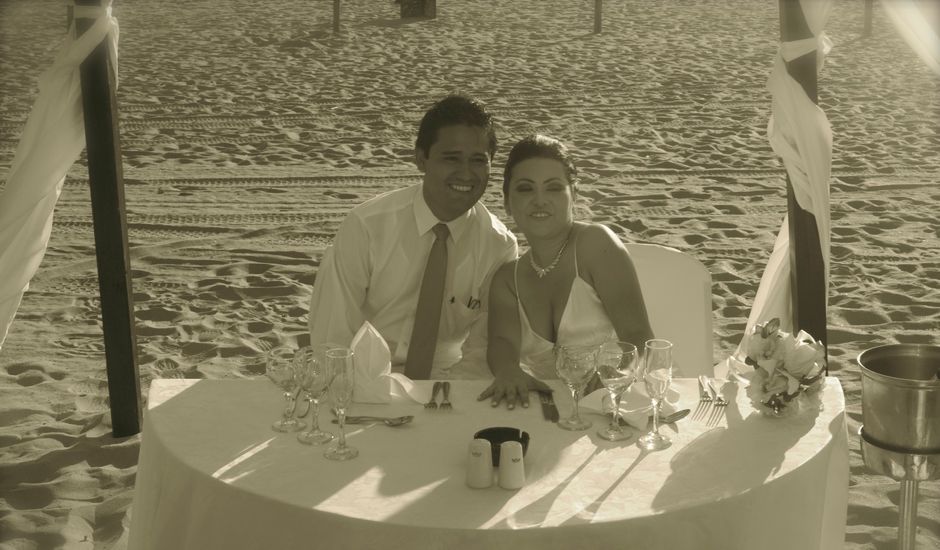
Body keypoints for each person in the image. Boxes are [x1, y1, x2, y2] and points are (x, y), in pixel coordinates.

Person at [308, 95, 518, 379]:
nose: (466, 173)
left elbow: (482, 350)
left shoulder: (499, 246)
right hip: (363, 375)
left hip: (446, 379)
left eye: (478, 161)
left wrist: (441, 396)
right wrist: (366, 390)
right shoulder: (367, 226)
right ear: (421, 159)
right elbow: (332, 336)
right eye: (451, 158)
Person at [479, 134, 655, 409]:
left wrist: (620, 373)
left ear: (574, 194)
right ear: (507, 203)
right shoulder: (507, 279)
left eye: (553, 188)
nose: (540, 200)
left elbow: (638, 333)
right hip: (550, 411)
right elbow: (502, 343)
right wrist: (508, 371)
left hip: (624, 399)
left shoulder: (595, 245)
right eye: (525, 189)